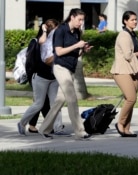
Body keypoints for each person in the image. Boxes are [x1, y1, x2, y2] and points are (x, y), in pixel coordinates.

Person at [38, 8, 93, 140]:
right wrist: (76, 46)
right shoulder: (60, 30)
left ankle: (44, 128)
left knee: (60, 101)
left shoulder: (77, 33)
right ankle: (80, 132)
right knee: (72, 98)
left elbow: (76, 53)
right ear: (72, 17)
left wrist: (83, 50)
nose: (81, 23)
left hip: (70, 69)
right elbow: (59, 52)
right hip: (60, 67)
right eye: (79, 19)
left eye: (82, 20)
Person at [17, 19, 67, 136]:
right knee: (38, 104)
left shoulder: (56, 43)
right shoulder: (36, 41)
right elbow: (33, 62)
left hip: (53, 77)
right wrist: (45, 32)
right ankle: (22, 123)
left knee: (56, 102)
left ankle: (58, 128)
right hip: (40, 77)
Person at [110, 11, 138, 137]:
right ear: (125, 21)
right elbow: (128, 55)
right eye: (132, 20)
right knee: (131, 98)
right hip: (122, 71)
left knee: (131, 100)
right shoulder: (124, 35)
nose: (135, 21)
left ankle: (126, 128)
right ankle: (120, 124)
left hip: (133, 70)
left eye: (136, 19)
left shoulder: (132, 34)